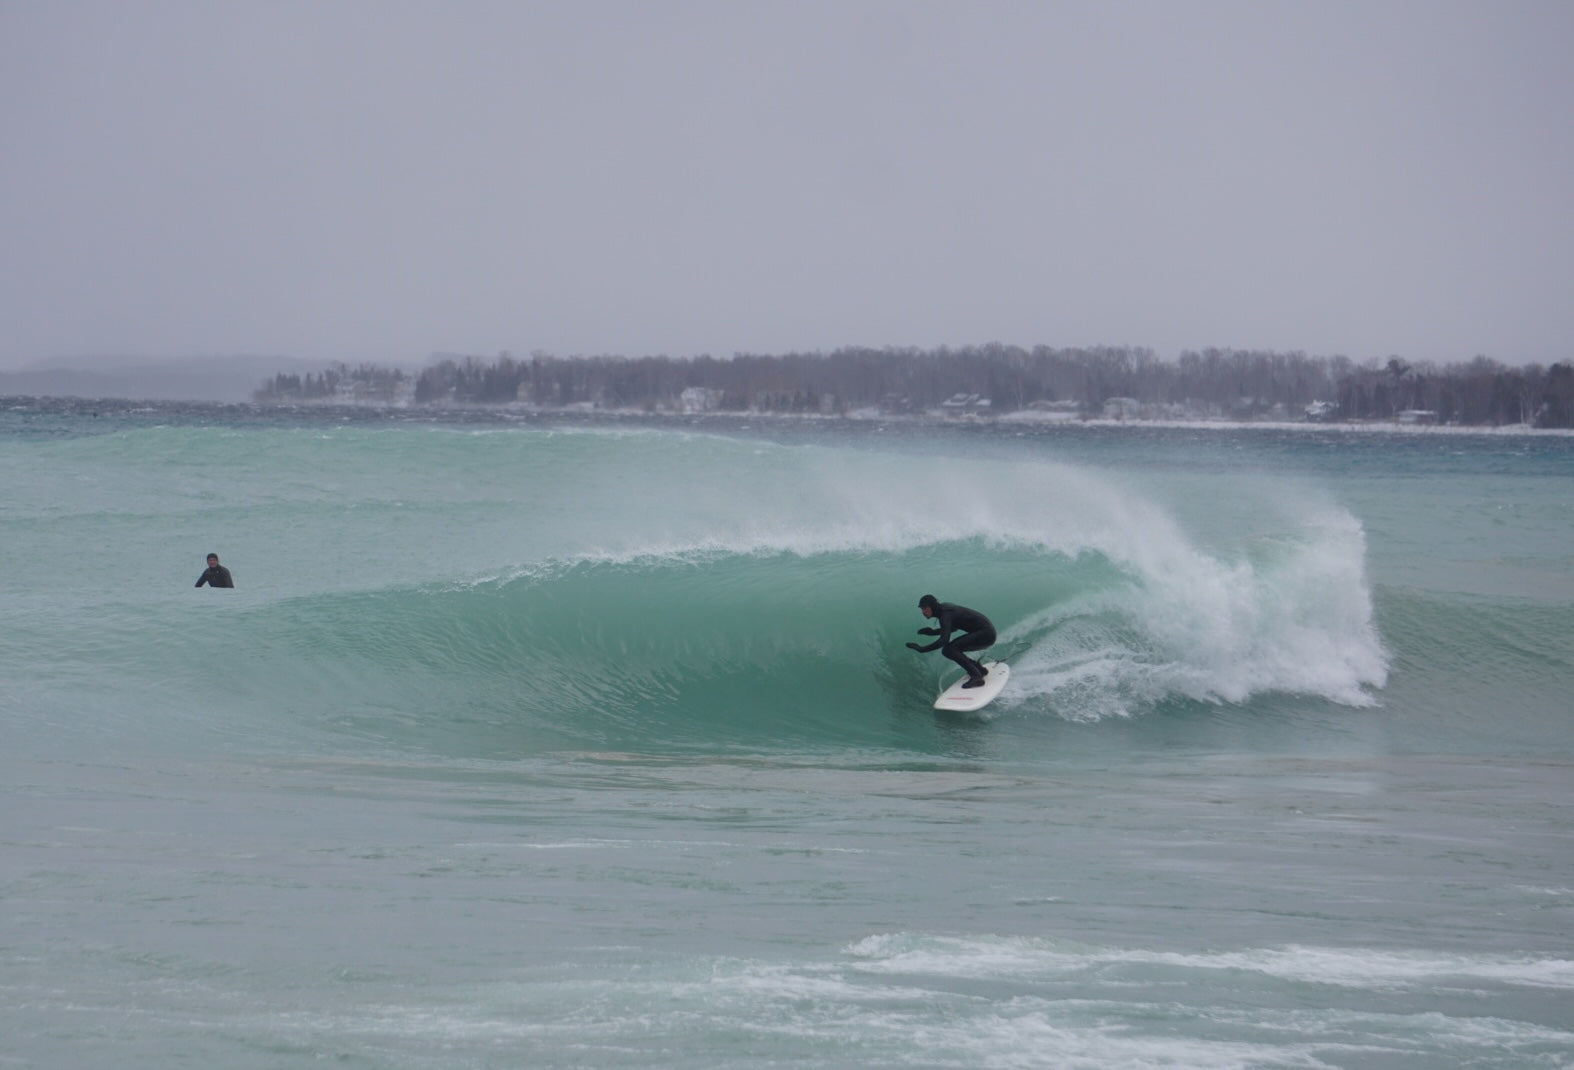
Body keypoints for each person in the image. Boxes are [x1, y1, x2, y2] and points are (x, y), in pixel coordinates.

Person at [906, 593, 995, 687]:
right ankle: (979, 670)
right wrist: (933, 632)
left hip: (986, 634)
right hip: (986, 633)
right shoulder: (944, 609)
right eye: (922, 609)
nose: (923, 612)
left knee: (949, 650)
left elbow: (943, 641)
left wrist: (922, 649)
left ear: (932, 607)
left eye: (924, 608)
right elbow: (953, 628)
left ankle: (976, 676)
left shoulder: (945, 615)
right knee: (949, 649)